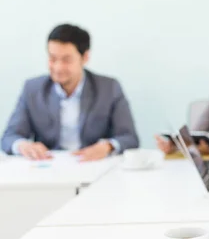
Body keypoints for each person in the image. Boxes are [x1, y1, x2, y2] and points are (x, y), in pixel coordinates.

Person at [1, 24, 139, 161]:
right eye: (52, 59)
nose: (58, 67)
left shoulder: (109, 88)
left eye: (66, 60)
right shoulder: (32, 89)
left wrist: (108, 146)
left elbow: (130, 138)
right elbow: (9, 137)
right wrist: (22, 145)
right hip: (49, 165)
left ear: (84, 58)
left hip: (94, 164)